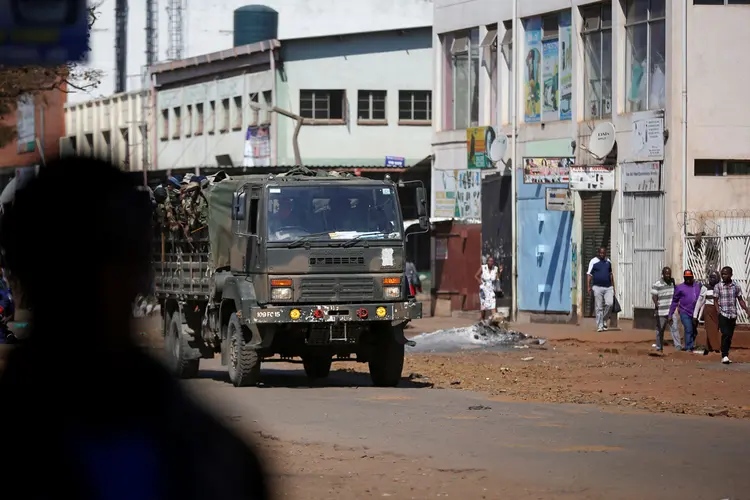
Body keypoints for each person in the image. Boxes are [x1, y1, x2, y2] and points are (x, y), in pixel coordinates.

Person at [0, 158, 272, 500]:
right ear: (141, 266)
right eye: (72, 261)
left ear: (17, 267)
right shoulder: (212, 456)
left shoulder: (209, 454)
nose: (87, 283)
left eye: (101, 256)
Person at [713, 266, 749, 364]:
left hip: (733, 314)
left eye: (725, 274)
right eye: (722, 274)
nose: (723, 276)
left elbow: (740, 299)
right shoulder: (718, 286)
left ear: (730, 275)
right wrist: (718, 311)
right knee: (725, 334)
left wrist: (746, 309)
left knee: (729, 336)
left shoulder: (736, 286)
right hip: (723, 313)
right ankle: (724, 355)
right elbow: (715, 300)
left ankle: (726, 353)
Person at [668, 270, 702, 353]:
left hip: (695, 313)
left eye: (689, 277)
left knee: (694, 331)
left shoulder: (697, 286)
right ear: (684, 277)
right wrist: (670, 314)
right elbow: (674, 301)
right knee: (688, 328)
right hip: (684, 312)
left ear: (692, 277)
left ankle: (691, 345)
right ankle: (688, 348)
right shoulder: (680, 288)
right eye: (686, 278)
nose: (688, 279)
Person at [650, 266, 682, 353]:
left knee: (674, 328)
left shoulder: (672, 282)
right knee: (660, 330)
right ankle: (659, 347)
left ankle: (678, 347)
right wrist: (657, 304)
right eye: (666, 274)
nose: (668, 275)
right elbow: (654, 296)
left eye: (669, 274)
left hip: (671, 311)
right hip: (661, 311)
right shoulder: (657, 284)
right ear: (663, 274)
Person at [587, 247, 615, 332]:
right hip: (597, 287)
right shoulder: (593, 261)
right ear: (598, 253)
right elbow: (589, 275)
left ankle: (604, 320)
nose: (602, 254)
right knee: (599, 307)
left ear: (605, 253)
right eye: (601, 253)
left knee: (610, 304)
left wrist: (613, 287)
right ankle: (600, 326)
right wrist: (588, 286)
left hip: (608, 287)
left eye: (603, 253)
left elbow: (611, 275)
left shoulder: (608, 262)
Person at [694, 270, 721, 356]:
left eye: (714, 277)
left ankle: (708, 348)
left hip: (717, 311)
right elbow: (700, 301)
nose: (712, 279)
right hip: (708, 310)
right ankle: (716, 348)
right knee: (710, 329)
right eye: (711, 277)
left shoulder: (721, 287)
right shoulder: (705, 287)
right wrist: (695, 316)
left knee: (715, 329)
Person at [475, 256, 502, 322]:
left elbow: (497, 278)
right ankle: (482, 319)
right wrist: (479, 281)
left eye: (492, 261)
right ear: (487, 261)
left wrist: (500, 272)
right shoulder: (483, 267)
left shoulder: (495, 269)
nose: (491, 262)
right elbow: (476, 276)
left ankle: (496, 322)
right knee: (484, 307)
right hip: (483, 290)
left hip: (491, 290)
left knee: (493, 305)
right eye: (489, 261)